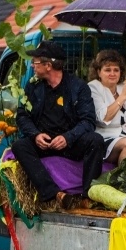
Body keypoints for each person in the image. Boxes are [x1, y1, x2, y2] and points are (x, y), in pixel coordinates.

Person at [12, 40, 105, 208]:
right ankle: (56, 194)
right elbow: (22, 116)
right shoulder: (33, 87)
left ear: (49, 65)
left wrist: (68, 138)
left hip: (70, 144)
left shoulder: (78, 87)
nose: (33, 65)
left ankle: (87, 197)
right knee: (19, 146)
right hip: (44, 144)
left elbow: (88, 121)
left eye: (36, 61)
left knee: (95, 140)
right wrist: (35, 135)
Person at [88, 50, 126, 165]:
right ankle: (120, 179)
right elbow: (103, 118)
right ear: (99, 72)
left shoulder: (123, 87)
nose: (112, 73)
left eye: (116, 70)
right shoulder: (94, 87)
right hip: (104, 139)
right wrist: (123, 97)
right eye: (107, 70)